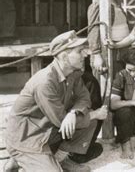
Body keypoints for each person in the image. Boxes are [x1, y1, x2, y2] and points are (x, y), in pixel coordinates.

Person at [4, 31, 108, 172]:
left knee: (88, 120)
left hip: (48, 130)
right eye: (79, 51)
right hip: (28, 137)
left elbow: (84, 97)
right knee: (91, 117)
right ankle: (19, 157)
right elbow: (60, 121)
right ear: (65, 57)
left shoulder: (73, 72)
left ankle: (60, 160)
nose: (85, 54)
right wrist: (94, 114)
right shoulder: (44, 82)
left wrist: (73, 112)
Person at [87, 0, 130, 76]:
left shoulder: (117, 4)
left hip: (121, 52)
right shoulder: (99, 5)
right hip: (108, 54)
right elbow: (93, 30)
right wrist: (97, 55)